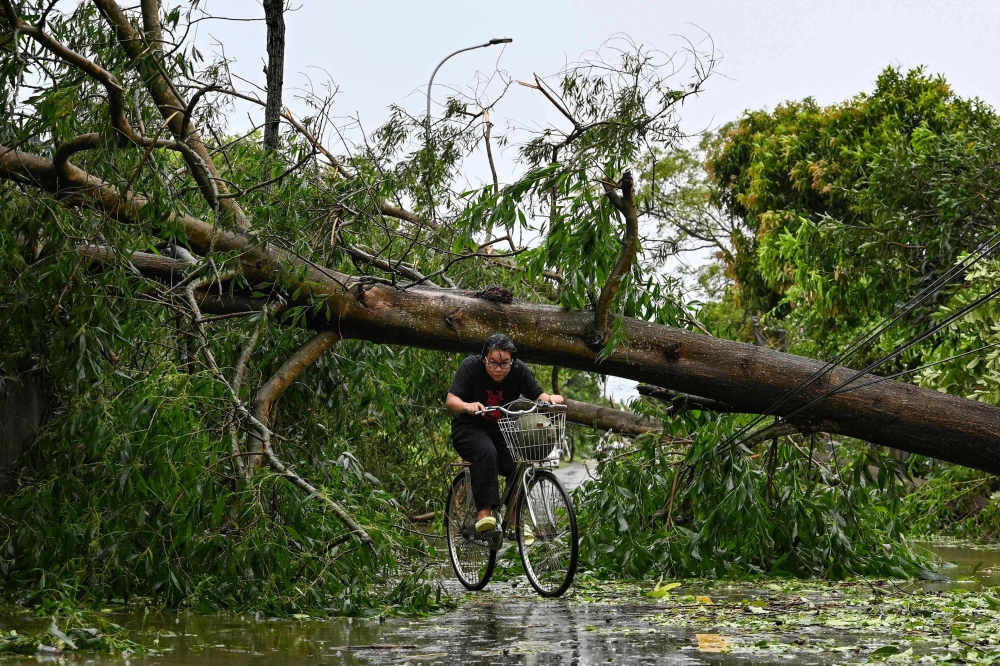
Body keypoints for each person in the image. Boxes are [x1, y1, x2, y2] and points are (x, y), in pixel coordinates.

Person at [445, 333, 565, 536]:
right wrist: (467, 405)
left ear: (512, 361)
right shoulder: (470, 366)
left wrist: (550, 399)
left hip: (501, 430)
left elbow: (538, 394)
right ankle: (484, 516)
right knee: (486, 452)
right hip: (468, 428)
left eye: (504, 363)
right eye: (492, 362)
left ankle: (514, 519)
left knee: (518, 463)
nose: (498, 368)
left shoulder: (519, 370)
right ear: (484, 357)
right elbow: (451, 400)